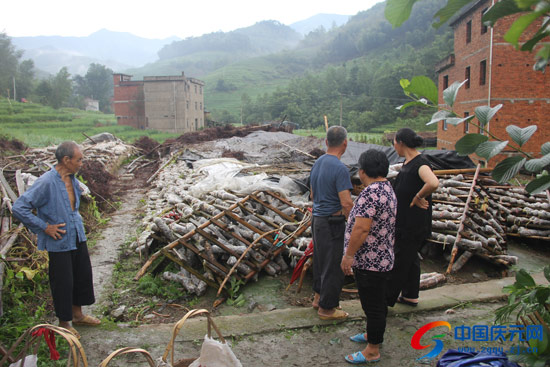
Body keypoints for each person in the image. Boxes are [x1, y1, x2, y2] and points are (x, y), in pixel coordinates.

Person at [12, 141, 101, 339]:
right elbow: (19, 207)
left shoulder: (72, 178)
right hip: (59, 240)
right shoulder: (45, 182)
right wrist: (44, 227)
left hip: (77, 234)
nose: (81, 163)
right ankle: (64, 323)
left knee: (81, 274)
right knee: (63, 281)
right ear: (66, 160)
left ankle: (78, 315)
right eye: (79, 160)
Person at [340, 149, 397, 364]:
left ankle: (372, 350)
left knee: (372, 306)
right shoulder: (387, 188)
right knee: (378, 302)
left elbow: (361, 229)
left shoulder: (370, 193)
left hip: (370, 261)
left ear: (363, 171)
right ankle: (372, 335)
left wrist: (349, 255)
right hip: (383, 258)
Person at [387, 128, 439, 308]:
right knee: (411, 258)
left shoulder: (420, 163)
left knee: (401, 260)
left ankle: (387, 298)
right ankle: (410, 296)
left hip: (413, 223)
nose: (393, 146)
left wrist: (418, 197)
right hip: (405, 221)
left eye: (394, 142)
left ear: (401, 142)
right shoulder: (408, 163)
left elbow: (433, 183)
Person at [309, 125, 354, 320]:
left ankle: (318, 298)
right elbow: (346, 202)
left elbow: (312, 194)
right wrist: (353, 223)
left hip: (317, 220)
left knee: (320, 261)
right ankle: (327, 309)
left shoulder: (317, 162)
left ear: (326, 142)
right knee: (334, 265)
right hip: (332, 222)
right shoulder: (340, 168)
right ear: (345, 143)